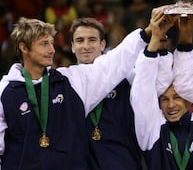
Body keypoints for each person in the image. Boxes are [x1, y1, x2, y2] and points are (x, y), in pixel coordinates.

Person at [0, 16, 150, 169]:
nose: (52, 50)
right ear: (24, 48)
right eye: (44, 44)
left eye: (52, 43)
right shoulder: (4, 92)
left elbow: (113, 62)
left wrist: (146, 34)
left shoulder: (69, 80)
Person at [130, 8, 193, 170]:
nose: (171, 105)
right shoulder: (151, 130)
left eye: (176, 97)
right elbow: (142, 89)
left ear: (186, 99)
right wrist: (156, 38)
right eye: (164, 99)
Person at [69, 18, 142, 169]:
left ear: (102, 45)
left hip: (122, 162)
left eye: (92, 40)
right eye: (80, 41)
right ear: (72, 47)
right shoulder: (66, 83)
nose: (86, 46)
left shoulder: (126, 77)